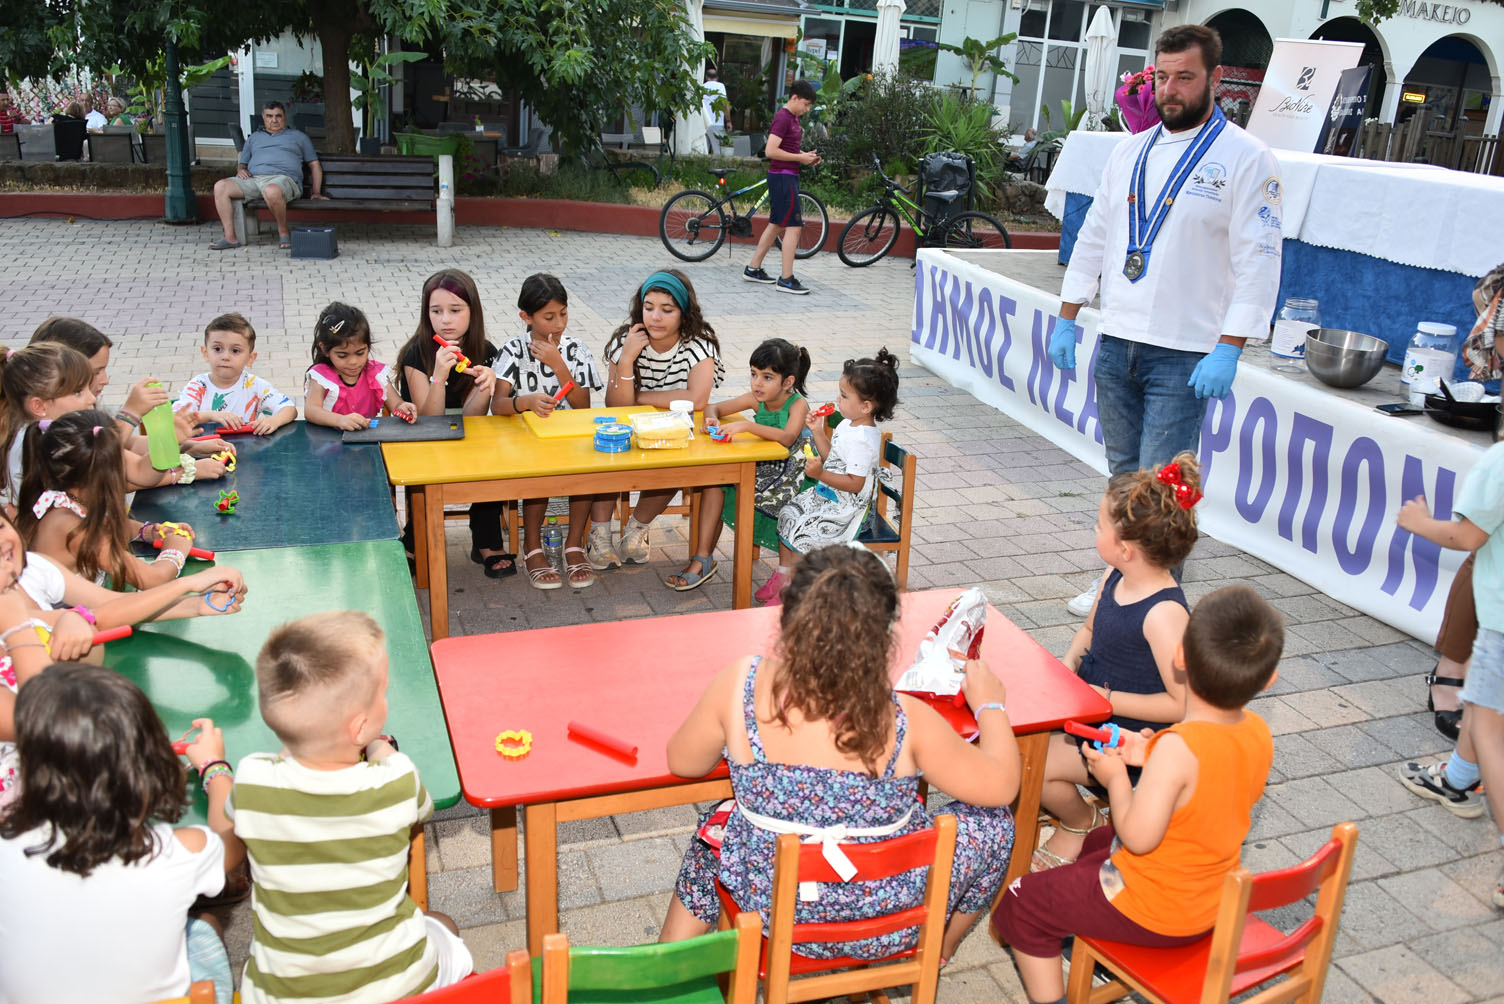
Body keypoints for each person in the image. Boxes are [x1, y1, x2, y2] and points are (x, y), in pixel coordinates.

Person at [661, 543, 1019, 961]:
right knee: (994, 823)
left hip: (768, 914)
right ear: (885, 636)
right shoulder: (905, 719)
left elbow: (683, 762)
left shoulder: (740, 683)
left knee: (717, 828)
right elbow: (1001, 787)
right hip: (886, 921)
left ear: (787, 618)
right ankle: (938, 947)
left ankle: (669, 962)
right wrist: (991, 707)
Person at [1049, 24, 1282, 616]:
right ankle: (1119, 579)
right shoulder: (1130, 151)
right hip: (1117, 340)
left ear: (1216, 79)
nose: (1170, 90)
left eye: (1185, 77)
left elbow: (1259, 259)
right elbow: (1094, 236)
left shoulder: (1247, 158)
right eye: (1162, 77)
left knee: (1164, 486)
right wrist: (1068, 315)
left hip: (1185, 351)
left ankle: (1158, 601)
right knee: (1123, 476)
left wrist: (1230, 345)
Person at [993, 585, 1283, 1004]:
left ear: (1180, 657)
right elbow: (1210, 779)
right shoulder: (1256, 731)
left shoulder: (1177, 749)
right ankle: (1085, 930)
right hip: (1210, 897)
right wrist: (1149, 751)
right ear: (1269, 680)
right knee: (1096, 842)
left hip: (1156, 911)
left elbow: (1137, 839)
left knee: (1021, 903)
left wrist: (1115, 779)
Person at [228, 611, 473, 1003]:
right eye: (382, 695)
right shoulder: (396, 781)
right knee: (446, 928)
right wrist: (381, 747)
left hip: (285, 994)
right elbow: (420, 804)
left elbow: (230, 809)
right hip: (398, 987)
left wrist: (213, 768)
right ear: (359, 727)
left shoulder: (253, 781)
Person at [0, 665, 243, 1004]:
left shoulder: (7, 844)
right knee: (203, 927)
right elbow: (233, 840)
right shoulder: (183, 850)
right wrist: (214, 767)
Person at [1031, 454, 1198, 872]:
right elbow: (1089, 631)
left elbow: (1180, 705)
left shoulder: (1165, 615)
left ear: (1125, 548)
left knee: (1028, 763)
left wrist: (1102, 698)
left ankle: (1080, 822)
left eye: (1099, 524)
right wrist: (1066, 668)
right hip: (1090, 712)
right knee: (1018, 736)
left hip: (1130, 739)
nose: (1094, 529)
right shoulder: (1115, 576)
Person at [1395, 431, 1504, 908]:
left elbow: (1467, 536)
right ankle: (1457, 779)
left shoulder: (1500, 461)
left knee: (1490, 732)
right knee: (1480, 704)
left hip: (1502, 626)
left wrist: (1418, 522)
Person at [590, 270, 724, 570]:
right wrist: (627, 358)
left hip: (671, 431)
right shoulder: (627, 340)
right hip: (627, 427)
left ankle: (636, 529)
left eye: (667, 309)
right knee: (608, 454)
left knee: (675, 464)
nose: (656, 317)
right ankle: (599, 533)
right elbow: (616, 406)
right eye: (649, 307)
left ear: (684, 312)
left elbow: (697, 398)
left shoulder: (699, 342)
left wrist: (638, 397)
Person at [667, 338, 812, 593]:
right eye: (754, 374)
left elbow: (788, 437)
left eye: (767, 377)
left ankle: (785, 573)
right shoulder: (756, 399)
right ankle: (703, 558)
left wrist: (746, 426)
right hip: (761, 467)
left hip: (793, 473)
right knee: (715, 484)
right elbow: (713, 407)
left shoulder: (797, 403)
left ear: (788, 382)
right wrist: (712, 420)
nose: (757, 383)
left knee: (755, 494)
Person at [490, 273, 603, 590]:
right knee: (538, 470)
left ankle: (574, 543)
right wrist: (524, 402)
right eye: (548, 317)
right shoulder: (513, 351)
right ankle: (532, 545)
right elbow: (497, 405)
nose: (559, 323)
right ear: (526, 317)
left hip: (569, 437)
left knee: (587, 465)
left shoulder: (576, 349)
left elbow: (583, 406)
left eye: (563, 314)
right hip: (527, 441)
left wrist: (559, 365)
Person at [29, 316, 236, 488]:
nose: (105, 380)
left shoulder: (80, 412)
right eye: (96, 372)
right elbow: (105, 473)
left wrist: (185, 445)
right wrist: (130, 414)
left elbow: (131, 447)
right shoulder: (45, 438)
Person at [396, 269, 507, 577]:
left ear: (473, 312)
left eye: (455, 310)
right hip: (424, 440)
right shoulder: (416, 354)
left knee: (494, 462)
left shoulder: (485, 352)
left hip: (466, 438)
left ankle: (486, 538)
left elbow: (473, 420)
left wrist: (486, 386)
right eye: (436, 311)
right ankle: (415, 536)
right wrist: (439, 377)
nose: (445, 320)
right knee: (422, 472)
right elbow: (429, 421)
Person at [19, 409, 202, 590]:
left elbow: (105, 524)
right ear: (106, 472)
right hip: (78, 608)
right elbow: (151, 579)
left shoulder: (69, 500)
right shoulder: (72, 526)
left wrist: (147, 531)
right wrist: (175, 551)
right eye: (122, 458)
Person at [771, 349, 900, 605]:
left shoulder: (863, 440)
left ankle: (800, 593)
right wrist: (817, 432)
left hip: (851, 509)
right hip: (831, 496)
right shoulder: (848, 424)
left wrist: (821, 474)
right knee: (789, 511)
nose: (837, 399)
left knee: (804, 528)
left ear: (866, 406)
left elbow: (855, 484)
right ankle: (786, 577)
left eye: (844, 395)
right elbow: (833, 458)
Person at [209, 100, 328, 251]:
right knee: (220, 186)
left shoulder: (299, 137)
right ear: (263, 118)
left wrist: (316, 192)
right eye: (269, 116)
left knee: (271, 190)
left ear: (284, 117)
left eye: (278, 116)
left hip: (284, 180)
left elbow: (314, 165)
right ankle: (230, 238)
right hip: (254, 180)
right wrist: (241, 170)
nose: (274, 120)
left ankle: (283, 232)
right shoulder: (254, 138)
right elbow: (243, 163)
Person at [742, 79, 821, 295]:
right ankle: (786, 279)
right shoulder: (783, 118)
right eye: (805, 104)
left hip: (786, 176)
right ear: (794, 98)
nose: (807, 109)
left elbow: (787, 148)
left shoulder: (793, 118)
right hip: (783, 177)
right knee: (794, 227)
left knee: (777, 224)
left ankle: (753, 268)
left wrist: (805, 156)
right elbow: (770, 151)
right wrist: (800, 158)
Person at [0, 342, 96, 510]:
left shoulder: (47, 434)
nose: (92, 399)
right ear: (39, 406)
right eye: (78, 392)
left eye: (89, 387)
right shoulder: (45, 448)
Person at [173, 312, 296, 435]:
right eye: (217, 349)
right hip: (202, 446)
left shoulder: (254, 385)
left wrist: (273, 421)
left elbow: (289, 409)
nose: (225, 357)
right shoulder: (198, 386)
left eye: (235, 351)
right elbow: (177, 418)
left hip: (244, 446)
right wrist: (211, 415)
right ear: (205, 353)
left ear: (250, 358)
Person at [303, 302, 416, 430]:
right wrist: (340, 420)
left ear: (368, 346)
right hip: (330, 439)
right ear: (324, 349)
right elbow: (311, 411)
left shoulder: (375, 373)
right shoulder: (321, 377)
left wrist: (402, 407)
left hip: (368, 438)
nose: (353, 362)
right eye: (342, 356)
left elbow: (396, 403)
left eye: (360, 353)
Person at [702, 65, 728, 156]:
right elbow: (725, 104)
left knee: (704, 151)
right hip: (717, 123)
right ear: (717, 77)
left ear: (706, 77)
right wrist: (728, 121)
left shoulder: (702, 87)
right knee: (718, 152)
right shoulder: (720, 86)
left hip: (704, 124)